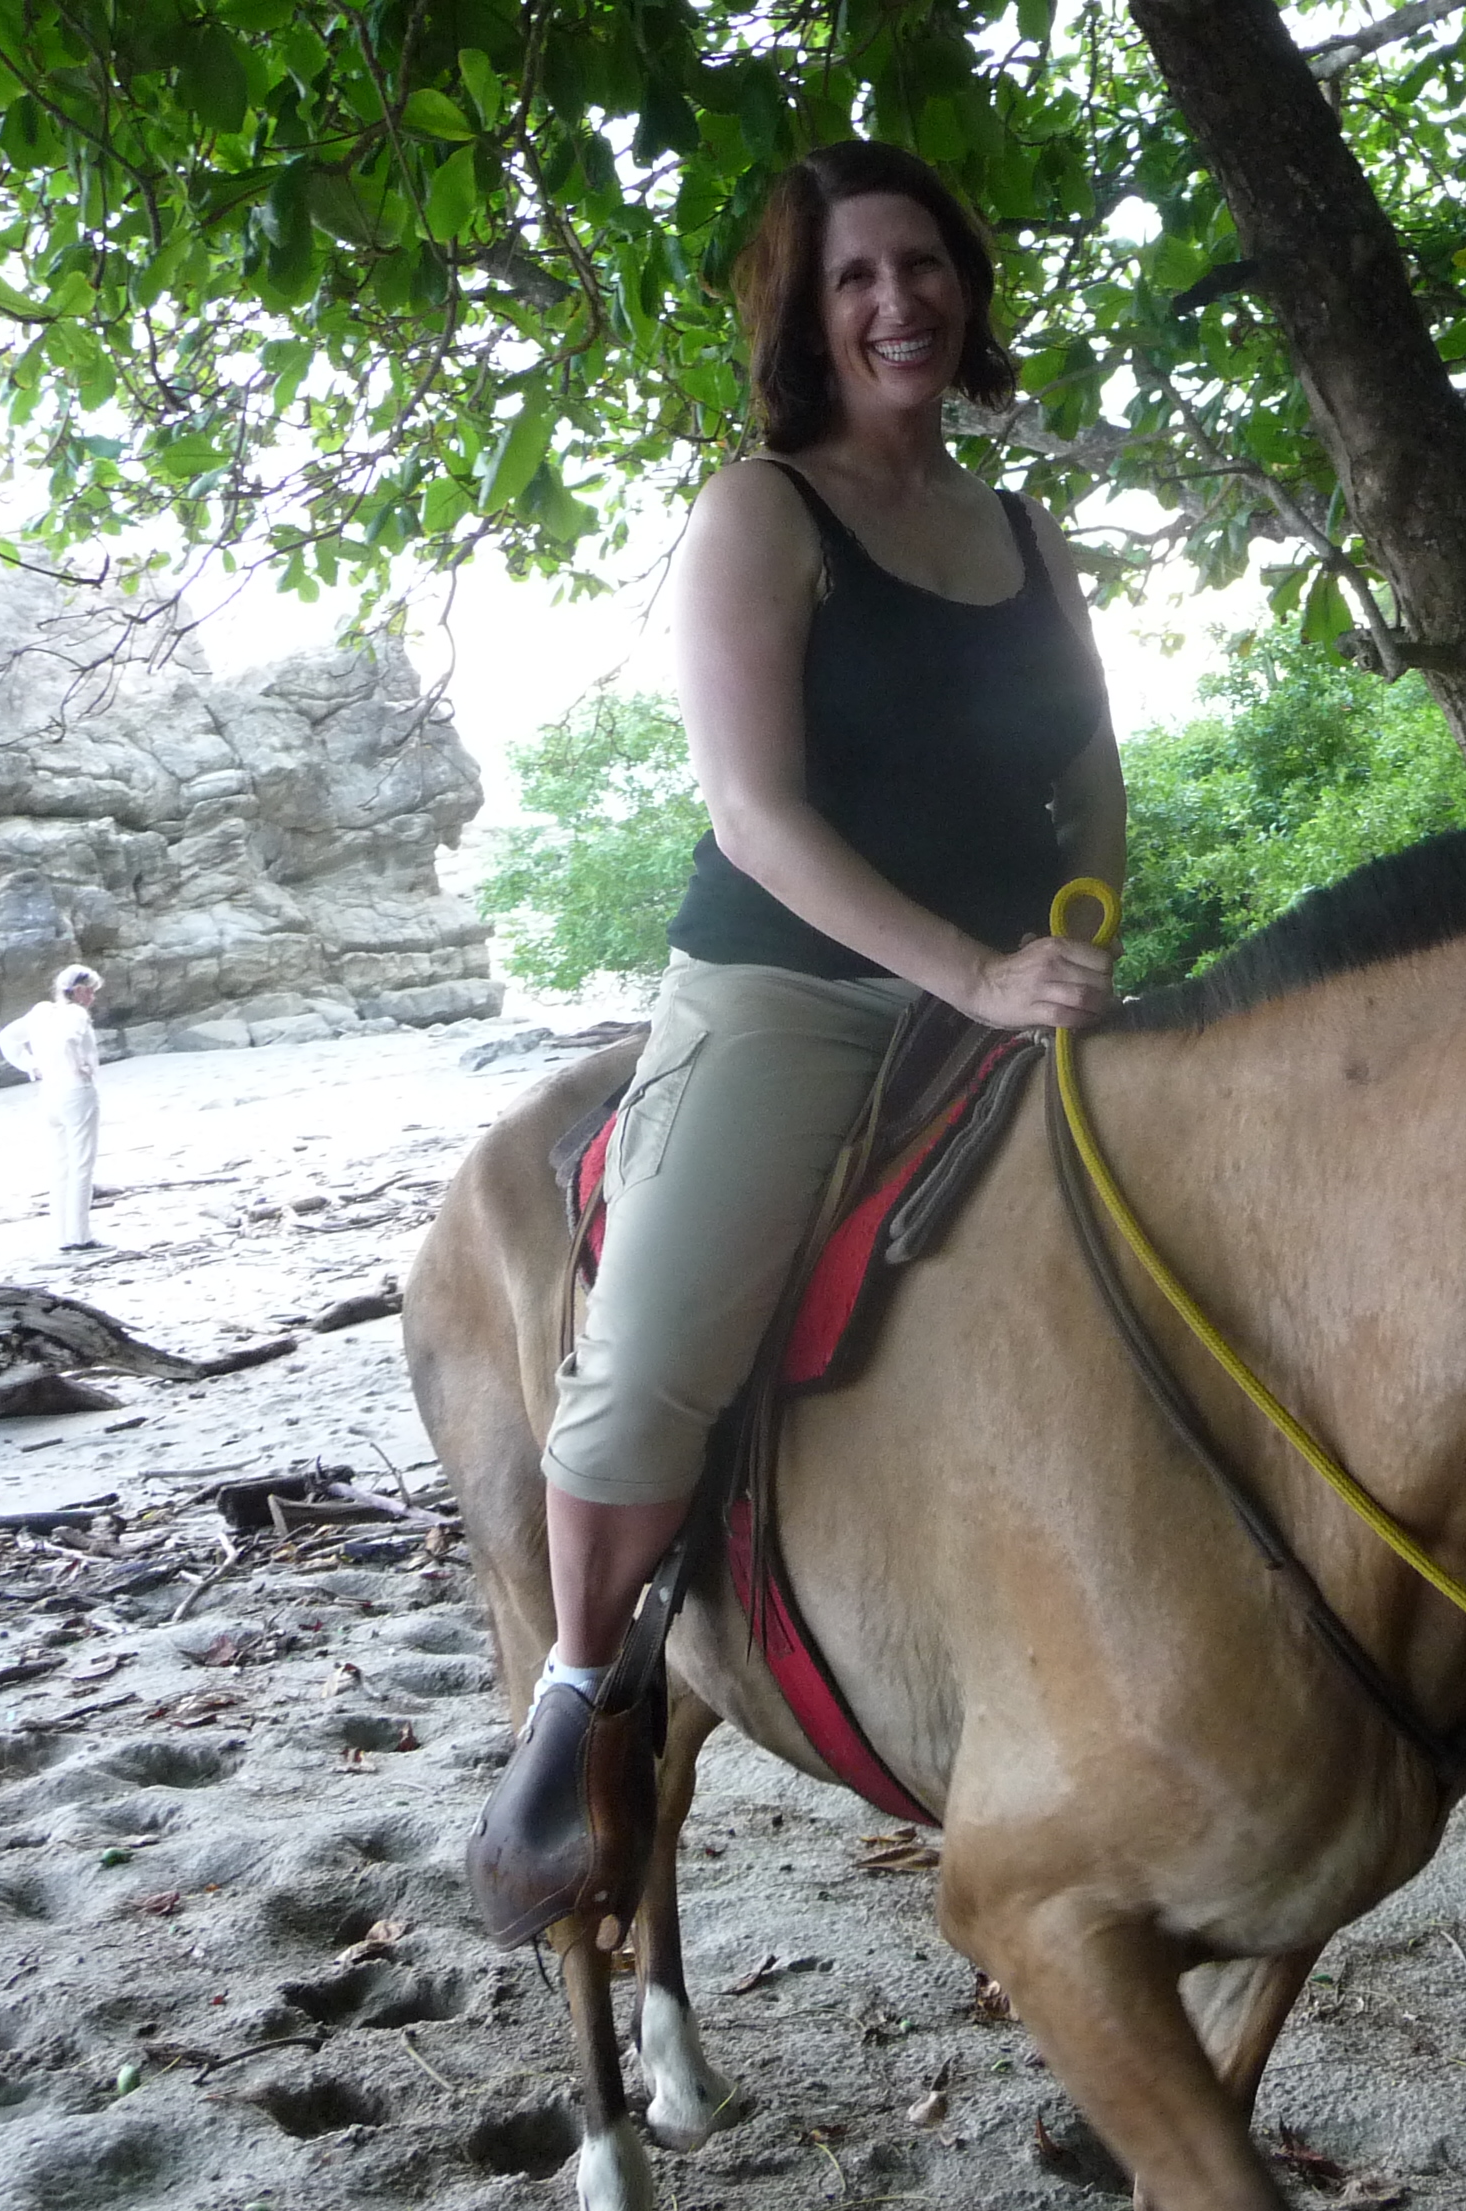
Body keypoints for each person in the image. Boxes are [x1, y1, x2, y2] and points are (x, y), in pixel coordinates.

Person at [465, 141, 1126, 1943]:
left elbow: (1089, 776)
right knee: (644, 1364)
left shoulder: (1023, 531)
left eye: (923, 263)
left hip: (1014, 983)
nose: (898, 300)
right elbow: (757, 817)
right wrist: (970, 974)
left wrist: (1082, 944)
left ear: (966, 286)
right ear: (805, 316)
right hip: (794, 991)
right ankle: (581, 1687)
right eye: (855, 276)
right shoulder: (762, 510)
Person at [0, 965, 105, 1253]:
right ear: (78, 990)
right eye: (90, 991)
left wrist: (31, 1065)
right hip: (76, 1090)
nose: (92, 998)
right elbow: (67, 1039)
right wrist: (76, 1064)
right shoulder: (76, 1014)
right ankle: (80, 1236)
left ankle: (61, 1235)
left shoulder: (40, 1012)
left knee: (60, 1166)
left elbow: (6, 1038)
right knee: (81, 1165)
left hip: (49, 1093)